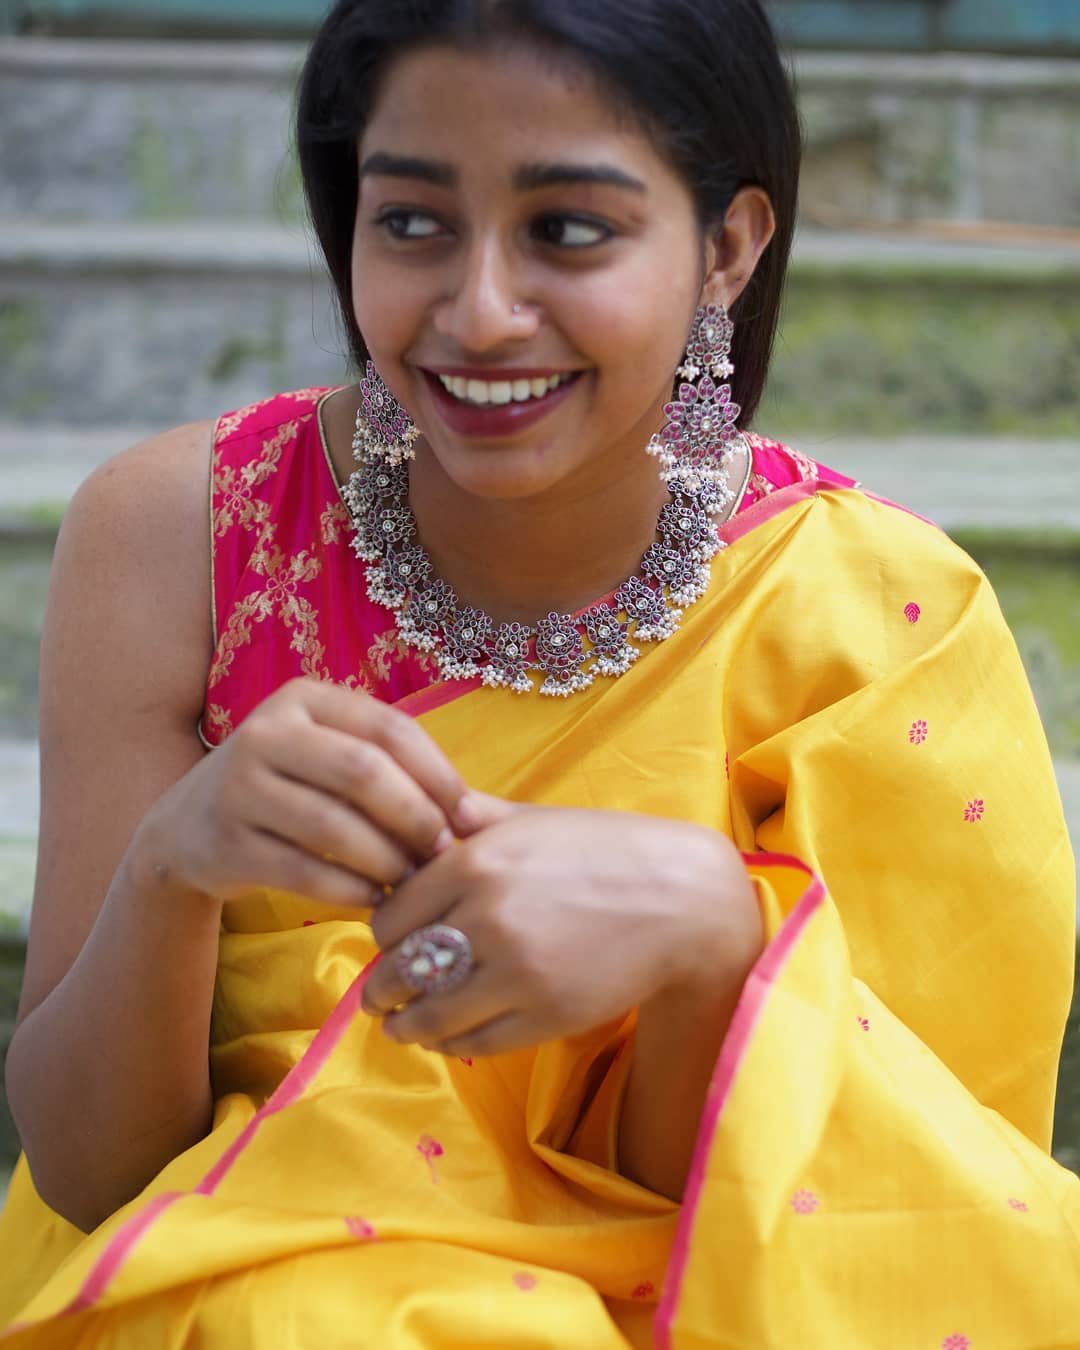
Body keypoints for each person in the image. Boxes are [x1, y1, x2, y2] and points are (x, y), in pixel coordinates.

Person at [1, 0, 1078, 1344]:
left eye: (568, 229)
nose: (481, 309)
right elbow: (90, 1167)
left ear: (727, 248)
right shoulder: (179, 539)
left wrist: (715, 942)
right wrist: (175, 866)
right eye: (412, 223)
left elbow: (864, 1225)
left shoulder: (869, 627)